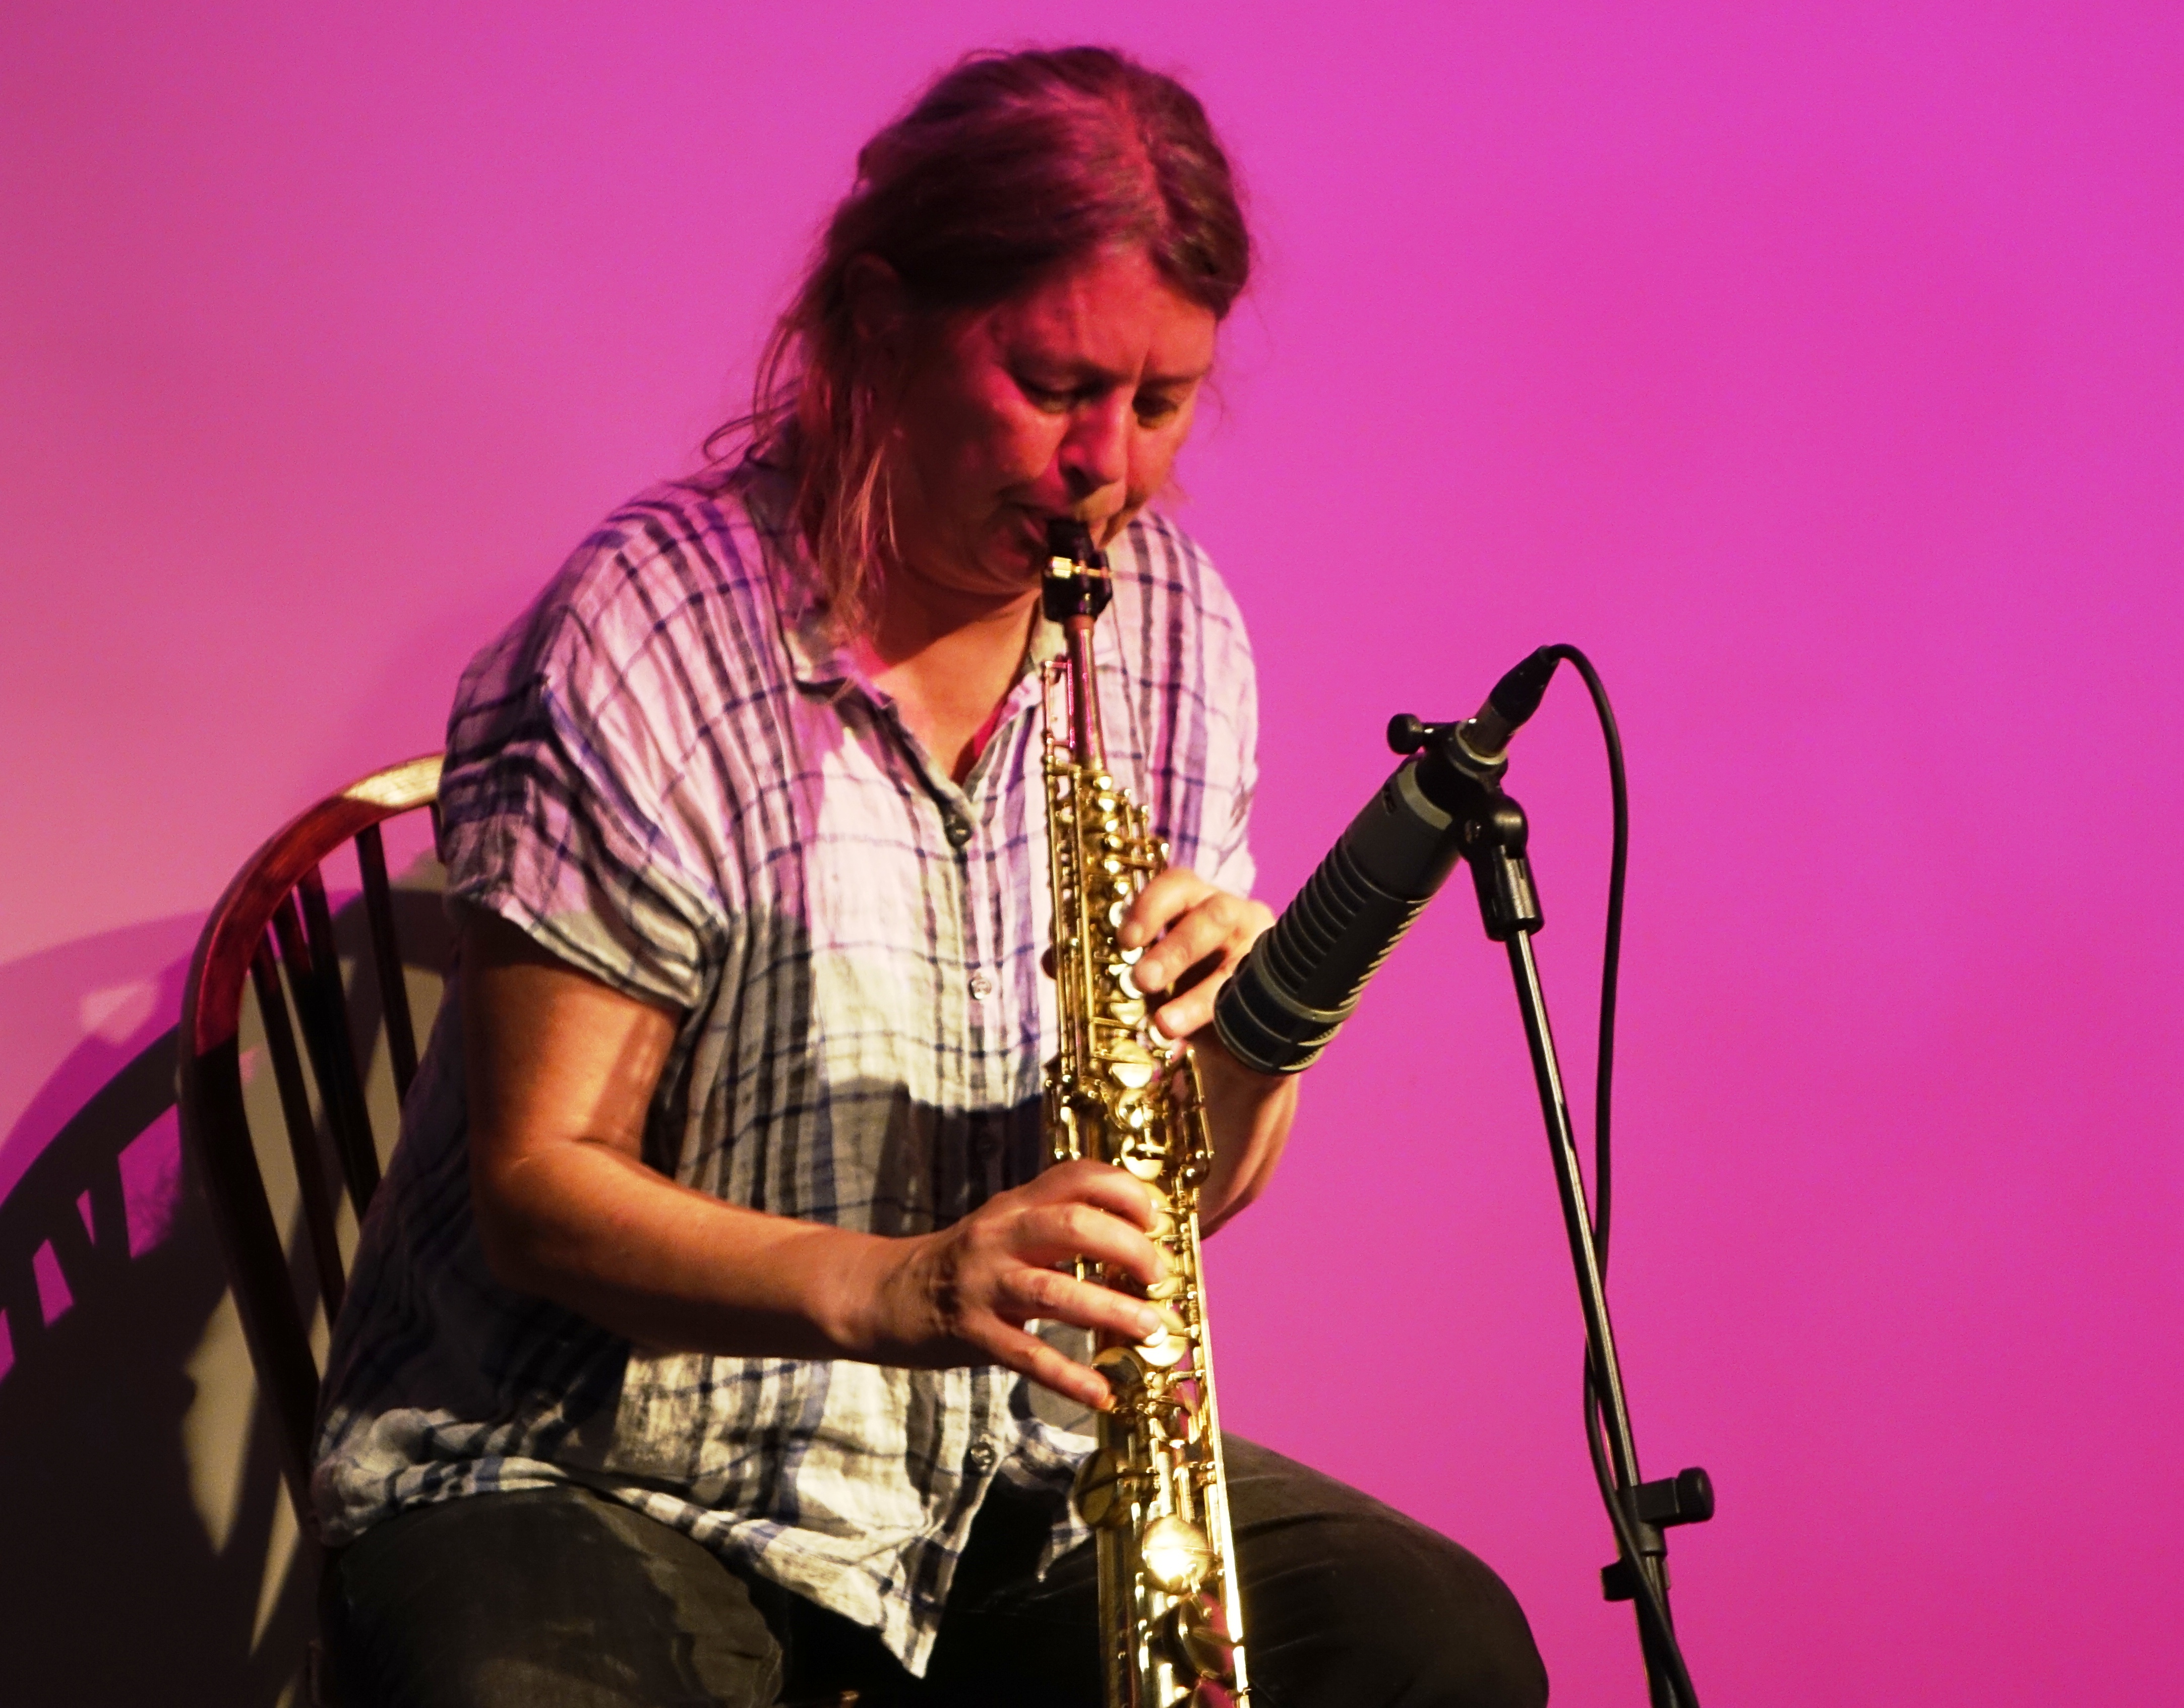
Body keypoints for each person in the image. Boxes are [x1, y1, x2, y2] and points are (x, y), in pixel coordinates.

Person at [310, 44, 1547, 1708]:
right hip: (593, 1465)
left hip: (988, 1484)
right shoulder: (649, 628)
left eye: (1160, 402)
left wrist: (1250, 1035)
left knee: (1436, 1647)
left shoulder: (1174, 631)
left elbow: (1193, 1197)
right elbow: (541, 1191)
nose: (1103, 464)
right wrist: (902, 1286)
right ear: (881, 328)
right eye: (1050, 383)